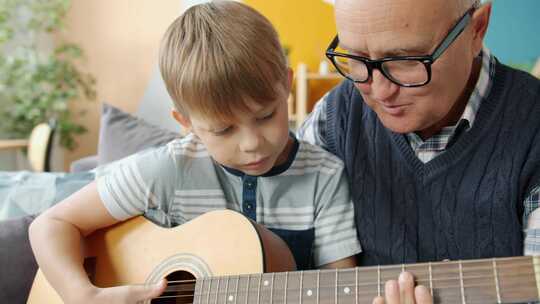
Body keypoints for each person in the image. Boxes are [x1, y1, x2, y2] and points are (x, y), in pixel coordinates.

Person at [28, 2, 361, 303]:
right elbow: (50, 224)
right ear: (185, 122)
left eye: (265, 116)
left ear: (286, 85)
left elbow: (343, 288)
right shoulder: (168, 169)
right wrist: (82, 294)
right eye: (223, 130)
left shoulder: (326, 177)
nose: (251, 143)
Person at [298, 0, 540, 302]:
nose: (381, 90)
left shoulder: (533, 130)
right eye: (357, 58)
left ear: (476, 29)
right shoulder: (334, 120)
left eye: (405, 60)